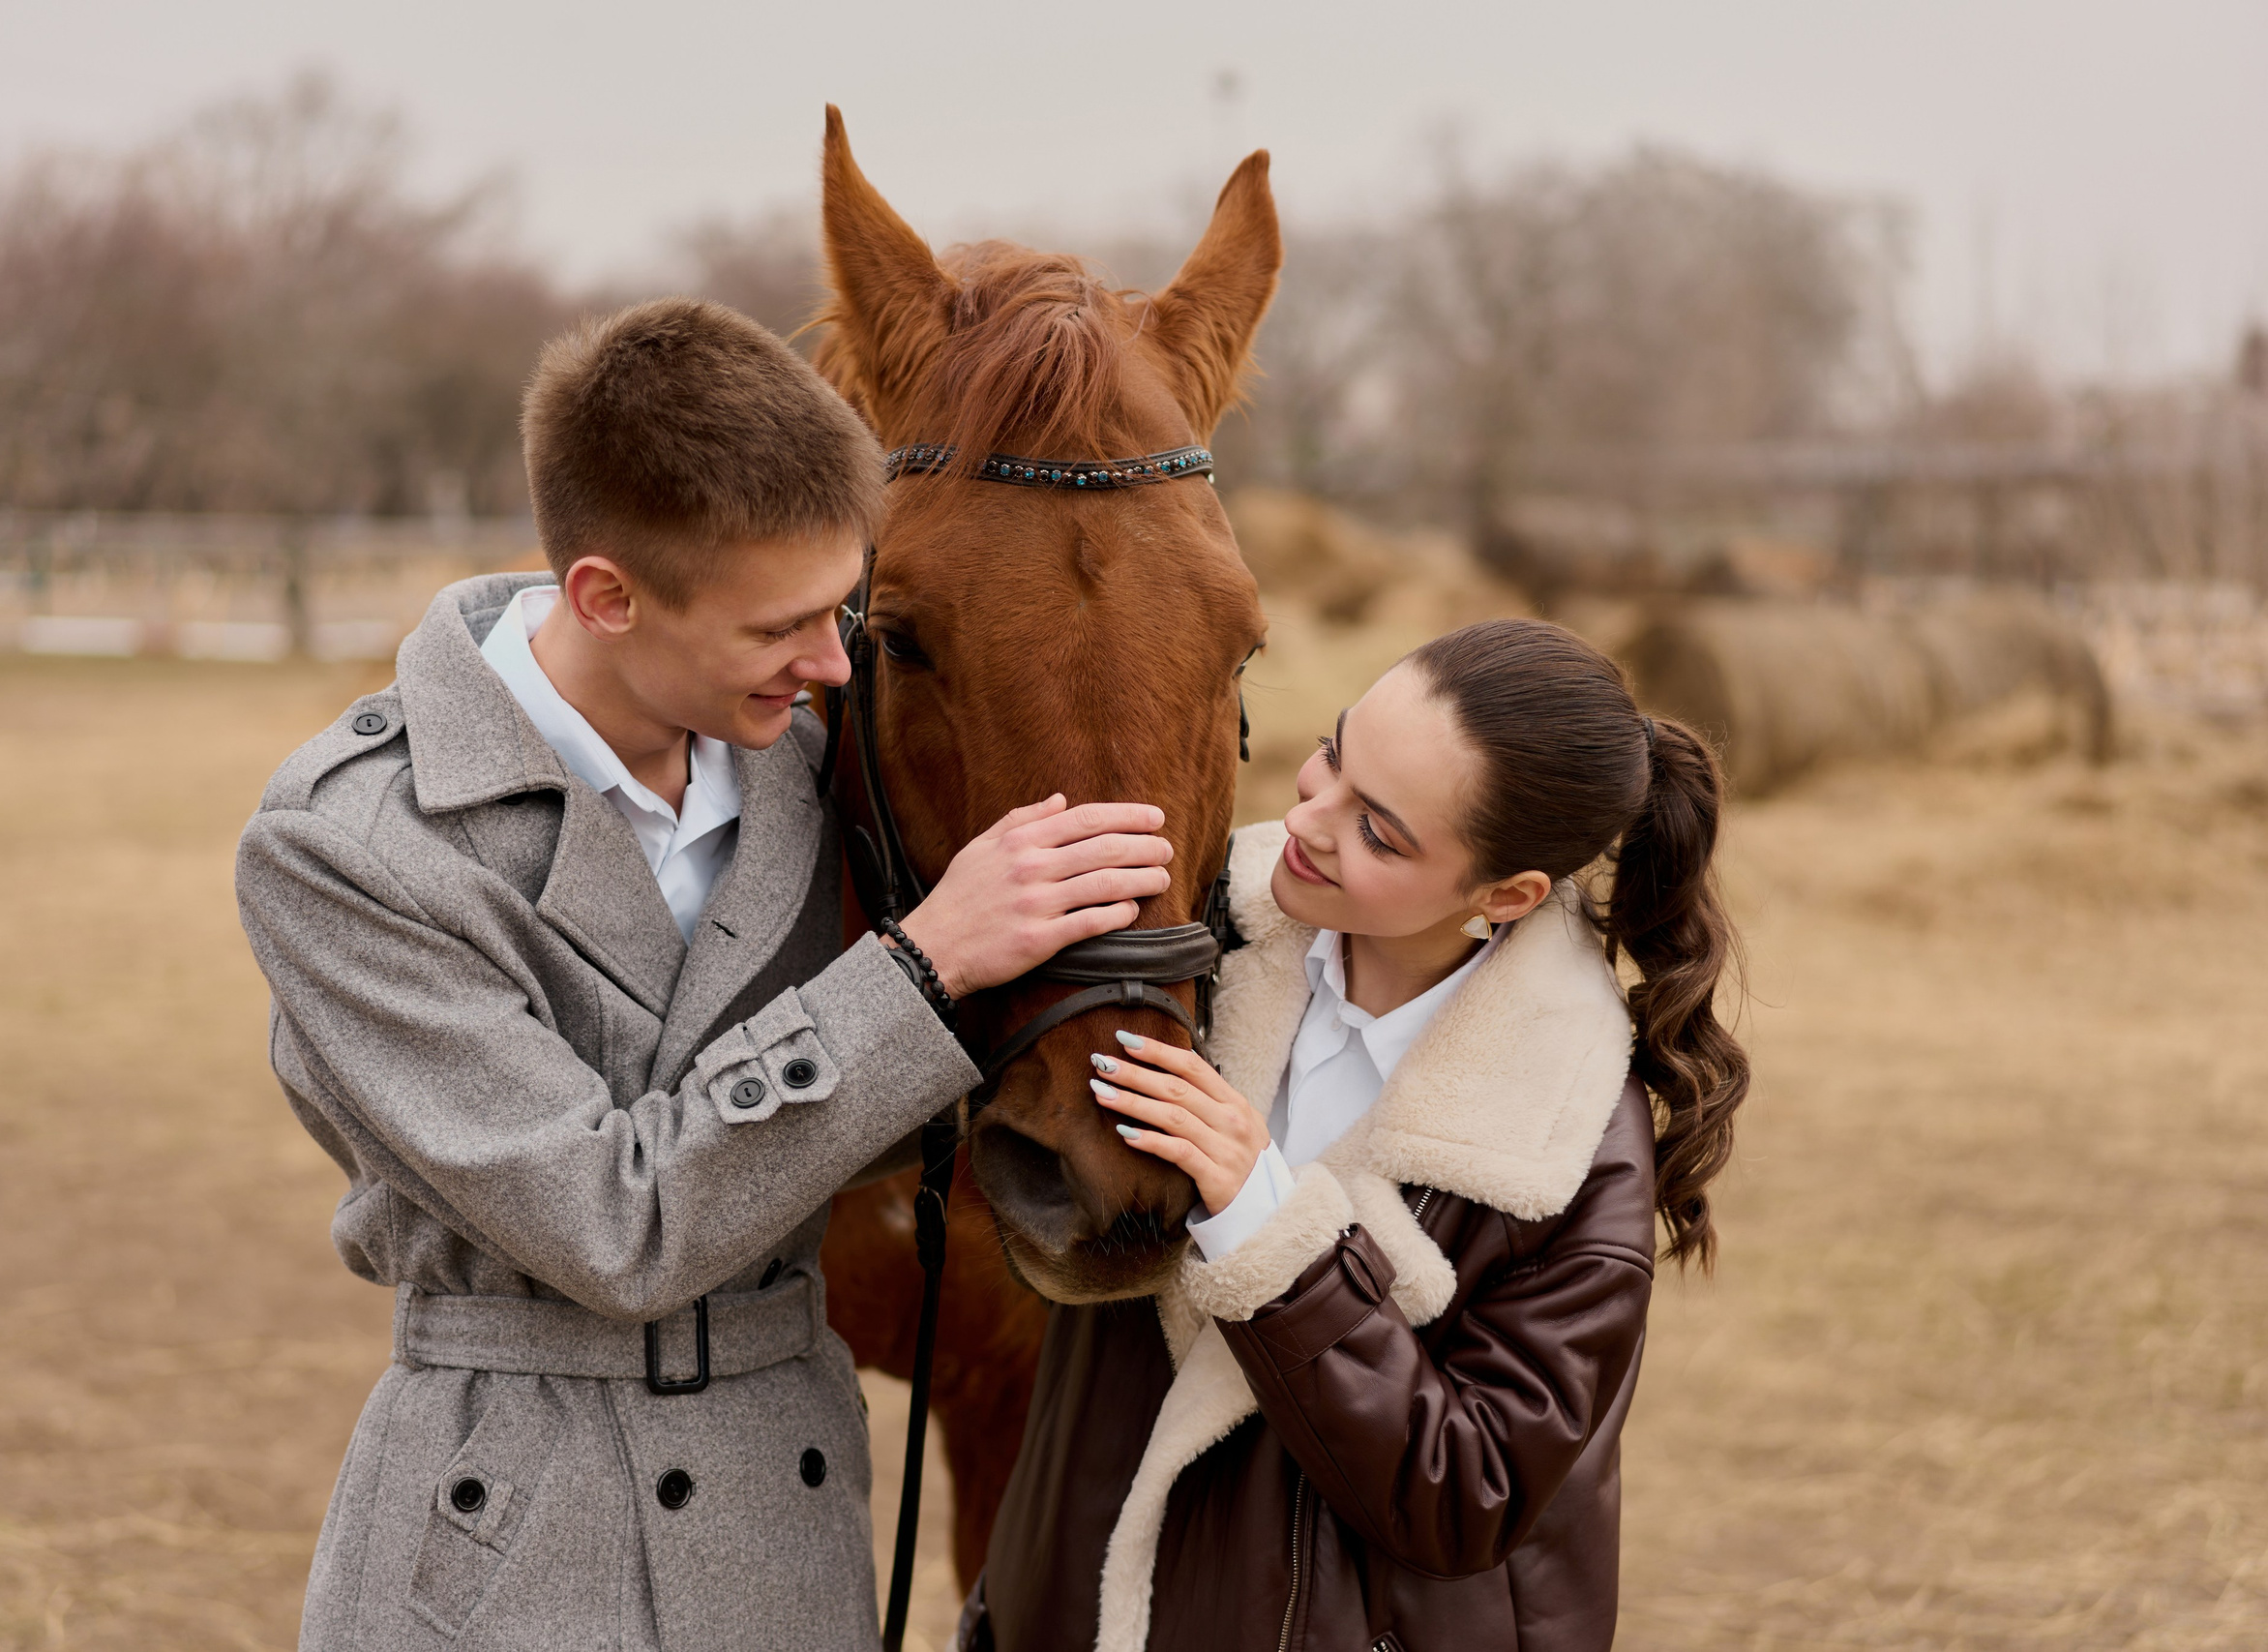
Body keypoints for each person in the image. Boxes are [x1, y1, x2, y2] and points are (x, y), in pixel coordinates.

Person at [234, 298, 1177, 1652]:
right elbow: (612, 1226)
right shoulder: (350, 849)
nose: (833, 661)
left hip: (787, 1526)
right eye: (780, 627)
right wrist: (924, 968)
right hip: (508, 1540)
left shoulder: (812, 755)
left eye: (844, 608)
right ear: (606, 596)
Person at [967, 617, 1751, 1652]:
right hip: (1072, 1609)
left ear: (1503, 897)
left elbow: (1468, 1493)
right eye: (1334, 753)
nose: (1310, 815)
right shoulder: (1177, 951)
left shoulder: (1563, 1140)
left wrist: (1263, 1228)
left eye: (1379, 831)